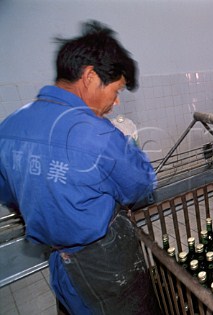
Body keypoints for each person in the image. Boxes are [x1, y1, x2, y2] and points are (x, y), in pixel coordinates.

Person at [0, 21, 159, 314]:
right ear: (89, 76)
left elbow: (9, 193)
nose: (116, 101)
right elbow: (140, 186)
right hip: (105, 264)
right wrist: (130, 149)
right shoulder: (95, 133)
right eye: (116, 89)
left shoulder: (9, 127)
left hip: (60, 262)